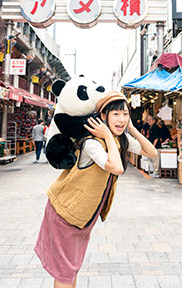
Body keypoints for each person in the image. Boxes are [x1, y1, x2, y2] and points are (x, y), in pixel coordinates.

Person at [34, 91, 157, 288]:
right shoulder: (92, 143)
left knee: (71, 269)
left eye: (125, 114)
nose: (122, 119)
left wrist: (132, 129)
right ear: (102, 117)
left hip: (81, 217)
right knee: (65, 273)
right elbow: (117, 167)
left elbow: (152, 152)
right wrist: (108, 135)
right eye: (115, 114)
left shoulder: (120, 140)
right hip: (66, 213)